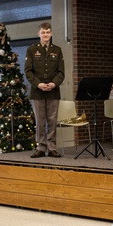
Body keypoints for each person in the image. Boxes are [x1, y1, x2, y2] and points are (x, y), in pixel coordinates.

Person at [24, 22, 65, 158]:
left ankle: (52, 147)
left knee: (52, 120)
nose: (45, 35)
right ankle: (41, 147)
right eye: (43, 32)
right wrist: (38, 84)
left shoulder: (57, 50)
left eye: (48, 32)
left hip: (53, 91)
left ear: (51, 33)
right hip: (37, 91)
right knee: (40, 121)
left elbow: (61, 72)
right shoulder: (31, 50)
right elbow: (28, 71)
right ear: (39, 34)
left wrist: (54, 83)